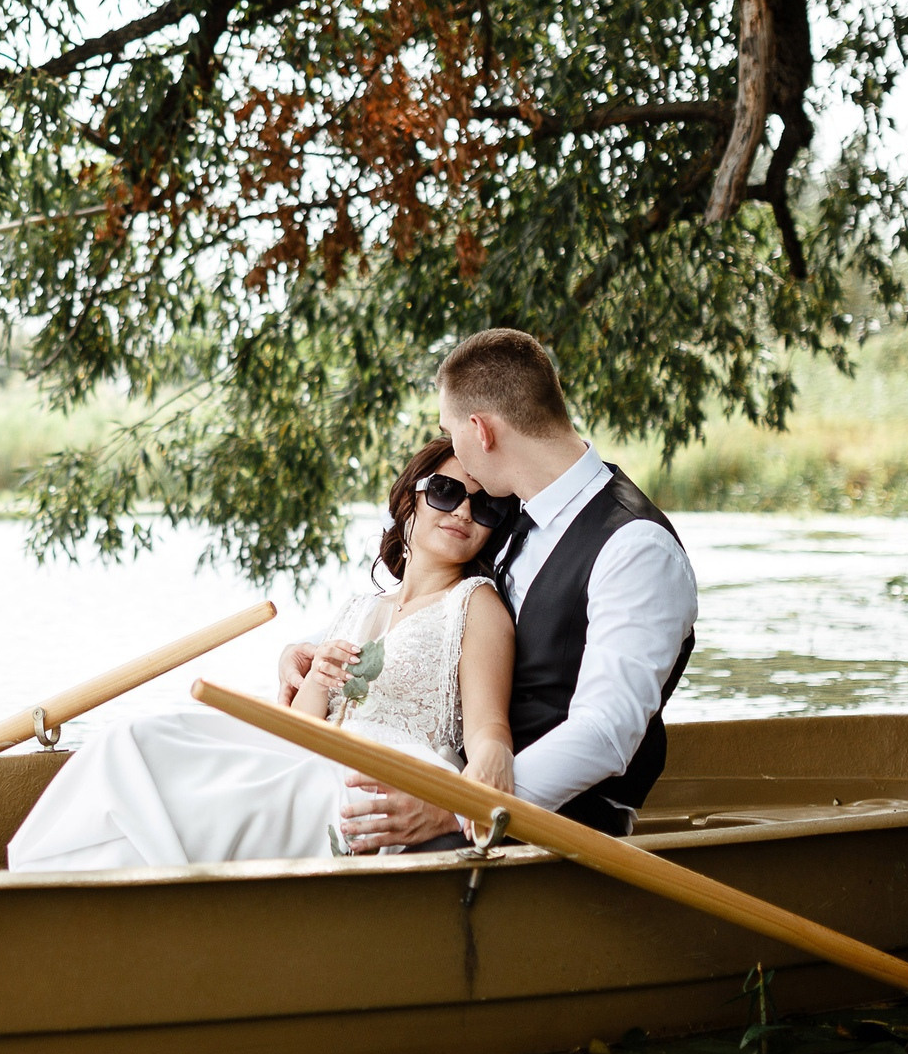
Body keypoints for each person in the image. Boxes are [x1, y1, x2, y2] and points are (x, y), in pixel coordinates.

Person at [6, 437, 520, 871]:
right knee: (135, 740)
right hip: (313, 750)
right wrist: (316, 678)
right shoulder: (360, 607)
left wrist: (478, 786)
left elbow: (488, 731)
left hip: (382, 775)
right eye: (447, 492)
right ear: (410, 498)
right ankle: (50, 884)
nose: (464, 512)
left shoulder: (476, 605)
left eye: (486, 505)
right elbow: (300, 726)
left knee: (212, 795)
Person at [279, 328, 697, 840]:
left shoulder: (635, 547)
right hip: (453, 781)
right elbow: (429, 623)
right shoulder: (512, 515)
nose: (465, 506)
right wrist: (304, 652)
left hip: (556, 825)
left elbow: (606, 734)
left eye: (448, 431)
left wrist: (454, 809)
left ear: (480, 431)